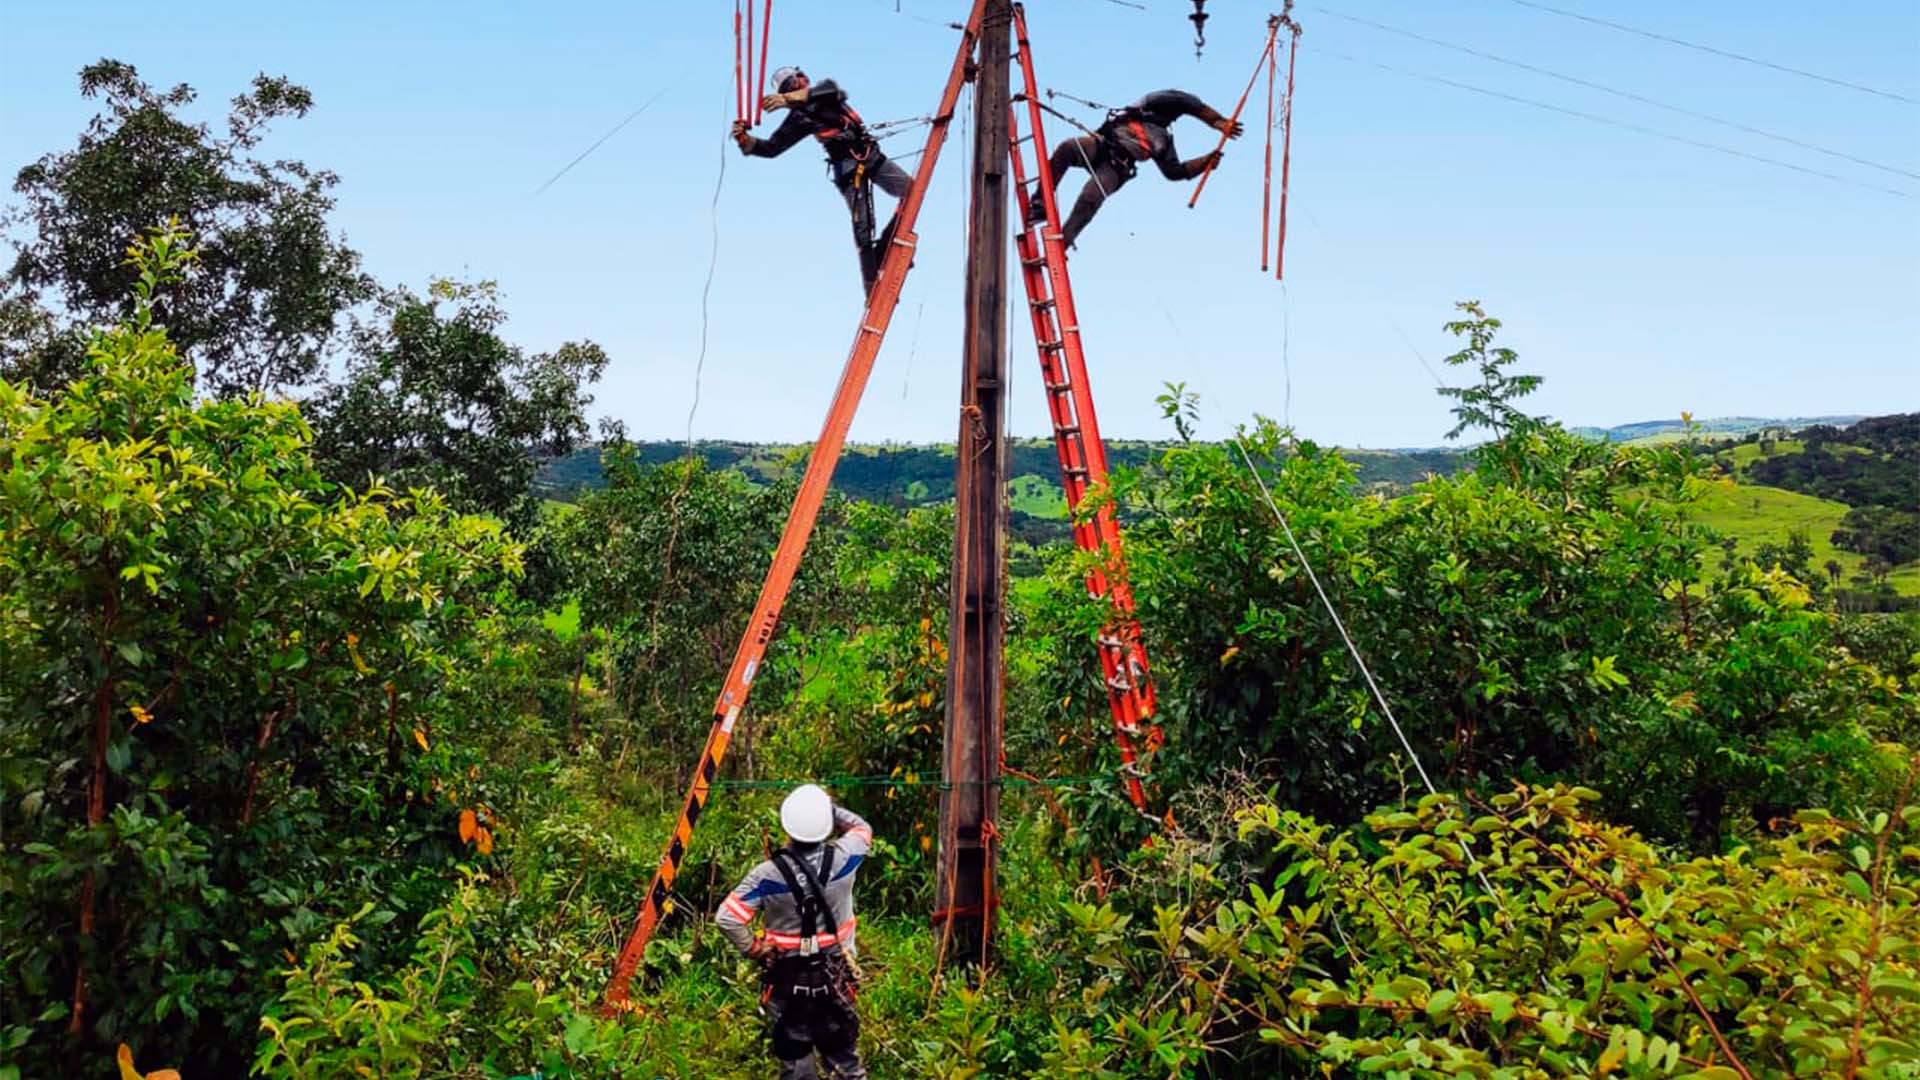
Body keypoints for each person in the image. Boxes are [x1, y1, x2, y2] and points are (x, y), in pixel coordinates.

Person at [716, 784, 873, 1080]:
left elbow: (727, 918)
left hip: (787, 983)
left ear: (787, 827)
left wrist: (756, 949)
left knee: (795, 1058)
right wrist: (831, 809)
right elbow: (862, 829)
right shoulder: (845, 859)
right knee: (845, 1061)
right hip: (837, 978)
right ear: (826, 827)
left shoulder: (766, 875)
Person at [733, 67, 909, 296]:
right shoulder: (799, 118)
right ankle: (871, 285)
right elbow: (772, 148)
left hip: (871, 158)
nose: (801, 82)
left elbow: (832, 89)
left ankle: (885, 247)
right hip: (848, 171)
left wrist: (786, 99)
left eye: (798, 80)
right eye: (794, 83)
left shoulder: (824, 93)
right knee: (862, 228)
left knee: (911, 190)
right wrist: (745, 141)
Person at [1026, 89, 1245, 249]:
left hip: (1117, 168)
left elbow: (1174, 172)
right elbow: (1186, 101)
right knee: (1067, 148)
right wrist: (1217, 121)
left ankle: (1063, 241)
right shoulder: (1147, 105)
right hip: (1102, 146)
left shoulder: (1164, 140)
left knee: (1091, 197)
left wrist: (1205, 162)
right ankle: (1040, 202)